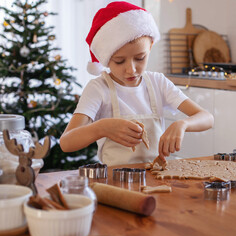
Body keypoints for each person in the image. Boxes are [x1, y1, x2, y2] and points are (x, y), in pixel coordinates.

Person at [60, 1, 214, 166]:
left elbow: (207, 118)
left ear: (150, 46)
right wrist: (101, 128)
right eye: (119, 61)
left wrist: (182, 124)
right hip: (115, 183)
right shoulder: (98, 89)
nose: (131, 70)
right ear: (106, 59)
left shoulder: (157, 82)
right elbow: (66, 143)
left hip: (156, 178)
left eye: (140, 58)